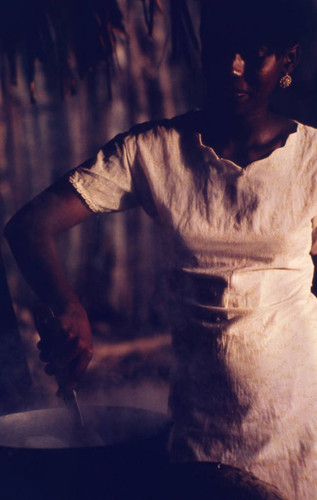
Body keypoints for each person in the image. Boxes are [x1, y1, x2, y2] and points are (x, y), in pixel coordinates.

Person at [4, 0, 317, 497]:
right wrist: (68, 306)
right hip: (199, 441)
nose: (233, 66)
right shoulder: (154, 152)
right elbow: (30, 226)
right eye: (222, 48)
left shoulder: (311, 163)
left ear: (288, 62)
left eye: (255, 53)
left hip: (297, 438)